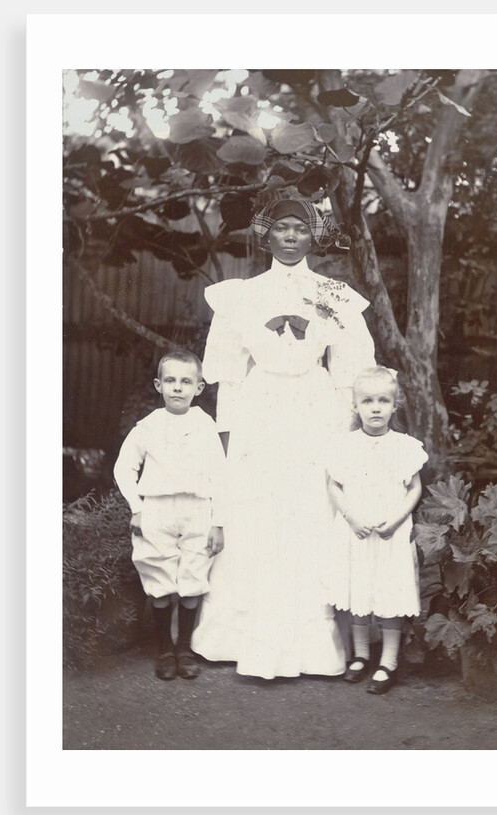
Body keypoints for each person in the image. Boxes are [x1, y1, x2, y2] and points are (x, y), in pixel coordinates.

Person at [191, 197, 376, 679]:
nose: (291, 237)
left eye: (300, 229)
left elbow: (349, 370)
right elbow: (229, 374)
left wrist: (345, 430)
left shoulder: (333, 294)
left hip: (315, 409)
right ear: (266, 235)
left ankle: (312, 647)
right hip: (261, 408)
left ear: (314, 237)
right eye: (281, 228)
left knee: (309, 510)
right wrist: (228, 434)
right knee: (256, 513)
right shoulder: (242, 295)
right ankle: (240, 638)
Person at [114, 348, 225, 681]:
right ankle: (165, 648)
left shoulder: (205, 425)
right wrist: (137, 508)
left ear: (199, 387)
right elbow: (124, 468)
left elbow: (220, 475)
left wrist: (218, 522)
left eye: (186, 381)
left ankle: (185, 649)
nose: (178, 387)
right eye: (171, 380)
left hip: (197, 509)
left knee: (193, 576)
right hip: (157, 509)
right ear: (158, 385)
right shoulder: (148, 426)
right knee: (158, 576)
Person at [326, 366, 428, 694]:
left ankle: (389, 661)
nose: (375, 408)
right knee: (360, 589)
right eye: (367, 401)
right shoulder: (345, 445)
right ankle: (361, 656)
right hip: (357, 531)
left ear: (394, 406)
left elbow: (414, 487)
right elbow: (334, 485)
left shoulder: (404, 446)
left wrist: (397, 520)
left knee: (389, 592)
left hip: (390, 533)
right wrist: (351, 517)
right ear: (355, 406)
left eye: (383, 401)